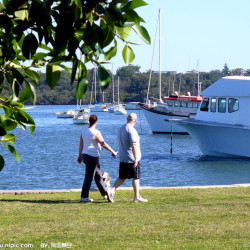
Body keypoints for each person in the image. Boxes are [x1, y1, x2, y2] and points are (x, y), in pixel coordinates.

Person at [107, 113, 148, 203]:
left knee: (122, 177)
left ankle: (112, 190)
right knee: (136, 177)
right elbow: (133, 144)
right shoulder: (131, 130)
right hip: (131, 158)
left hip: (123, 157)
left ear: (127, 119)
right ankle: (136, 196)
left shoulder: (120, 129)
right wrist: (136, 158)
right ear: (135, 120)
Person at [77, 114, 117, 202]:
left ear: (89, 121)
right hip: (92, 157)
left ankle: (105, 194)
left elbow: (81, 144)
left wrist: (79, 155)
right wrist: (113, 151)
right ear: (96, 122)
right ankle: (84, 197)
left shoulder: (84, 130)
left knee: (98, 175)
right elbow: (103, 143)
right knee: (89, 177)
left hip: (85, 156)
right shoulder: (95, 132)